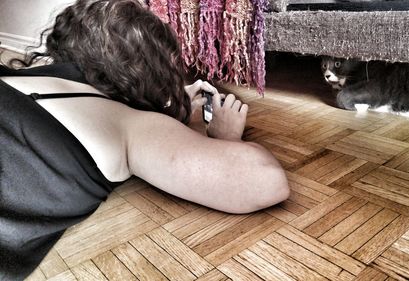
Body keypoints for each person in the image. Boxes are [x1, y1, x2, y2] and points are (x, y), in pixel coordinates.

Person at [0, 0, 289, 279]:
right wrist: (226, 139)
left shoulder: (20, 76)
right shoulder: (128, 123)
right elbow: (266, 182)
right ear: (152, 67)